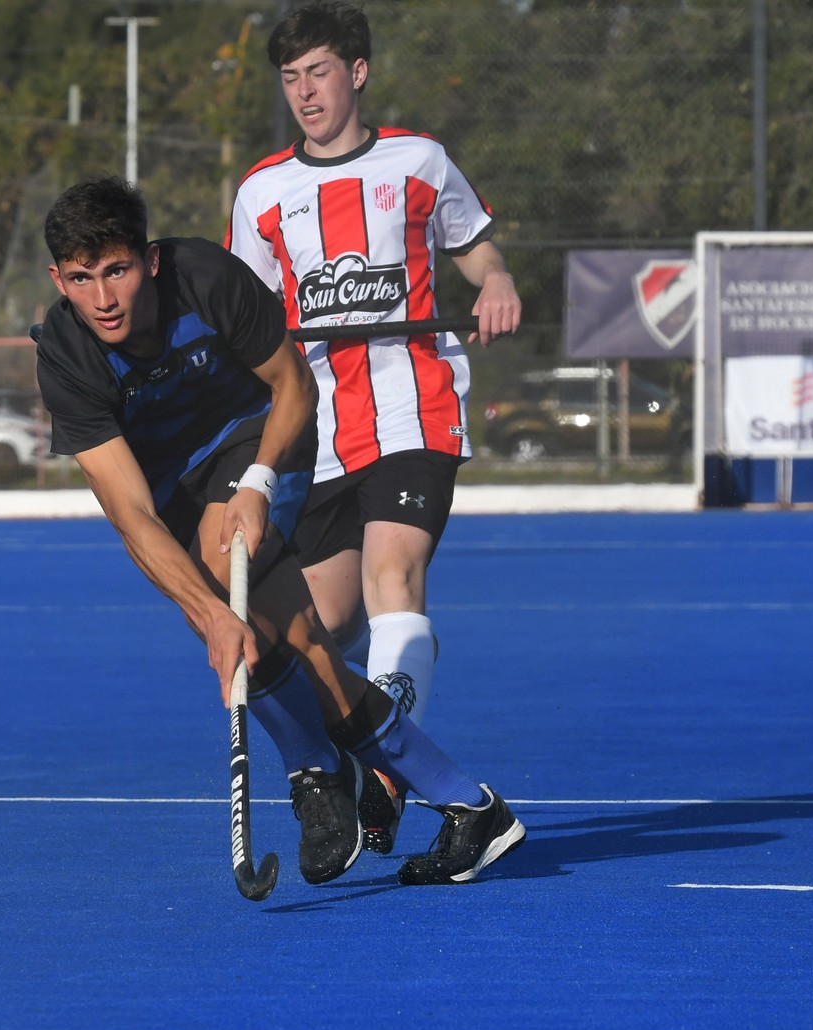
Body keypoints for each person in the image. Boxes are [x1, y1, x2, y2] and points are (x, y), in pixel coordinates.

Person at [35, 175, 523, 887]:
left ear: (149, 260)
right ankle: (445, 800)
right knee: (263, 638)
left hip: (262, 436)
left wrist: (260, 480)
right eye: (81, 279)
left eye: (116, 270)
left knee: (228, 568)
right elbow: (129, 511)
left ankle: (321, 773)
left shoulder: (204, 276)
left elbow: (293, 383)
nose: (103, 298)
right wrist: (205, 616)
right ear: (58, 278)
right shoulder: (66, 353)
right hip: (171, 484)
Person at [227, 2, 523, 735]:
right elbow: (247, 323)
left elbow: (476, 247)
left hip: (413, 405)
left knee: (391, 573)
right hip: (319, 430)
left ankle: (393, 765)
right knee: (316, 622)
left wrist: (495, 281)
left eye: (318, 72)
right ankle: (372, 714)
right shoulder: (259, 193)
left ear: (356, 73)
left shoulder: (419, 160)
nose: (304, 91)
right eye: (290, 78)